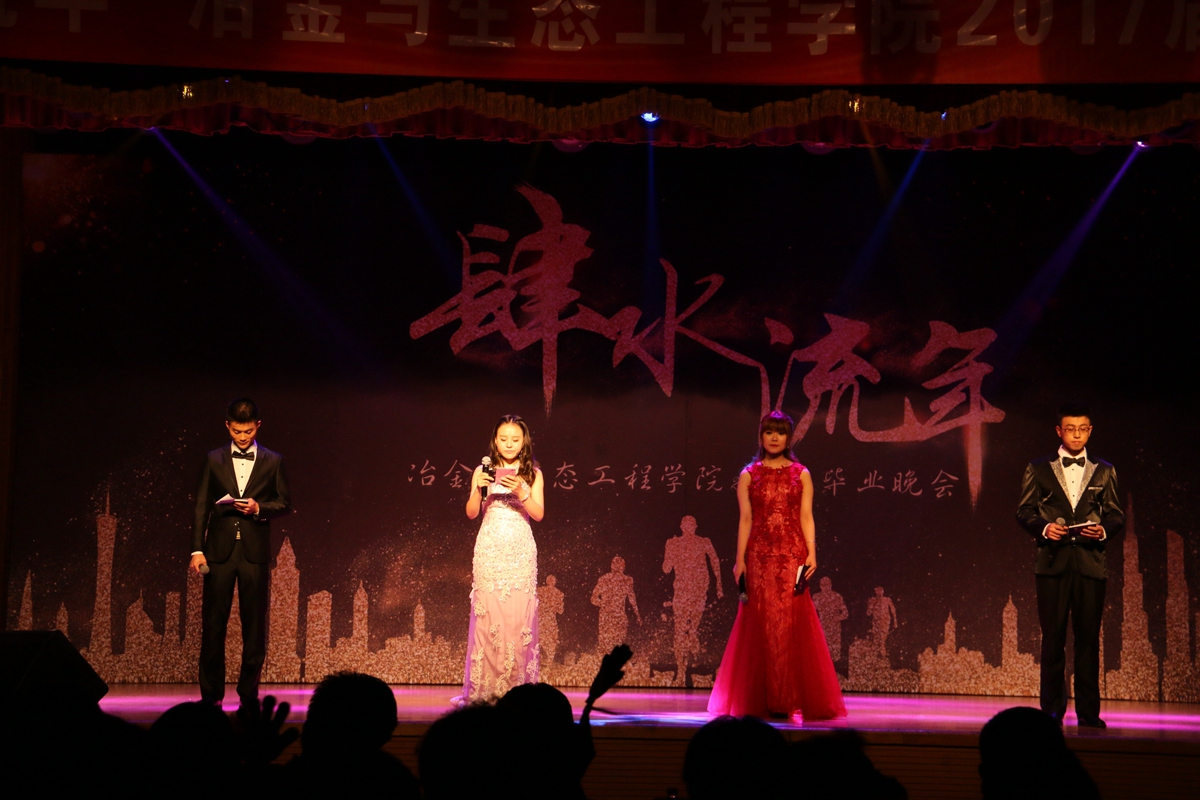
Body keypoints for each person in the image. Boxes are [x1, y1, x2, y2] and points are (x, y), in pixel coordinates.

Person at [707, 411, 846, 720]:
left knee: (790, 624)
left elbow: (806, 516)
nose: (774, 437)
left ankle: (788, 698)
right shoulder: (749, 474)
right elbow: (745, 520)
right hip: (758, 555)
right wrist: (739, 560)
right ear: (761, 436)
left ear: (788, 438)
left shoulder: (801, 473)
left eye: (780, 432)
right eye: (769, 432)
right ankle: (762, 699)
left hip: (792, 555)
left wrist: (811, 553)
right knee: (760, 623)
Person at [1016, 403, 1123, 728]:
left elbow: (1116, 514)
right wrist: (1045, 528)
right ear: (1059, 431)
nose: (1076, 435)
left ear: (1089, 431)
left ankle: (1089, 713)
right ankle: (1051, 711)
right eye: (1070, 429)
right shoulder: (1038, 468)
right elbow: (1024, 510)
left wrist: (1102, 530)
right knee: (1053, 639)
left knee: (1088, 640)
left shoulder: (1105, 470)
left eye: (1082, 429)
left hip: (1090, 563)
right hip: (1053, 563)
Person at [191, 398, 291, 709]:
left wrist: (259, 508)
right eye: (237, 431)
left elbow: (284, 503)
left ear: (258, 426)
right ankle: (211, 696)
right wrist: (197, 550)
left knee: (254, 626)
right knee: (213, 625)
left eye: (248, 431)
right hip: (219, 552)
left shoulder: (273, 460)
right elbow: (201, 507)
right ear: (227, 426)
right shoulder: (214, 459)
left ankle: (248, 695)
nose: (243, 437)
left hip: (253, 554)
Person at [458, 414, 545, 703]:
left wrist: (522, 492)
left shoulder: (533, 473)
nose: (509, 444)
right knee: (488, 620)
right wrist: (479, 489)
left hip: (519, 552)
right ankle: (486, 692)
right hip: (490, 550)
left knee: (518, 621)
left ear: (524, 442)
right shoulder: (482, 471)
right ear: (495, 441)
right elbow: (471, 513)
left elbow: (539, 514)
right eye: (503, 438)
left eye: (515, 439)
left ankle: (518, 693)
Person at [663, 515, 723, 685]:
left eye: (691, 525)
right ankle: (680, 669)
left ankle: (691, 660)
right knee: (680, 629)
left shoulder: (704, 542)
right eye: (686, 525)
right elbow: (666, 568)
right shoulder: (674, 543)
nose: (689, 528)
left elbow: (715, 561)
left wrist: (719, 584)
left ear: (696, 527)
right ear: (681, 527)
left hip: (698, 592)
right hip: (681, 592)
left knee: (692, 629)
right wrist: (669, 549)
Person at [591, 555, 640, 654]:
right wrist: (603, 604)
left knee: (616, 645)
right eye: (615, 565)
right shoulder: (604, 580)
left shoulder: (627, 581)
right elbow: (593, 598)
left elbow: (632, 598)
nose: (617, 567)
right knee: (606, 645)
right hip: (607, 617)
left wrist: (637, 613)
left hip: (618, 617)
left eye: (619, 565)